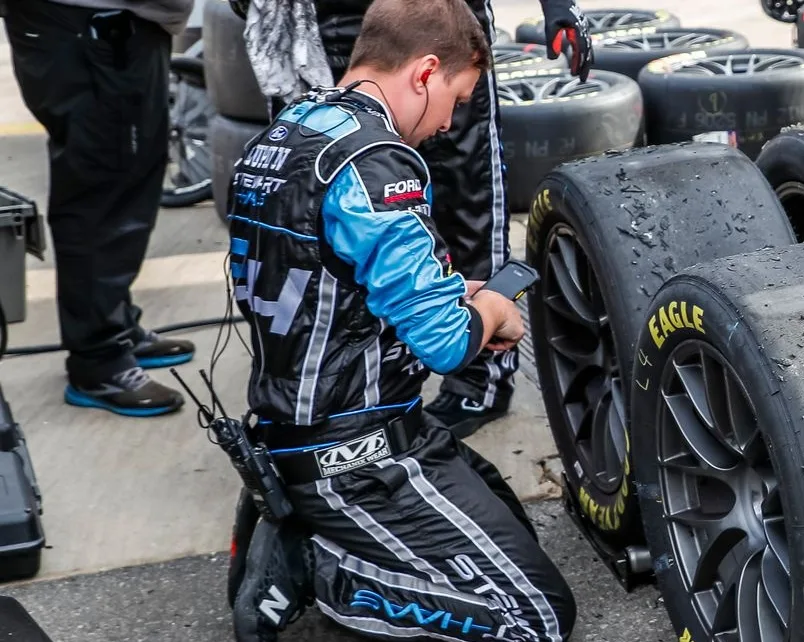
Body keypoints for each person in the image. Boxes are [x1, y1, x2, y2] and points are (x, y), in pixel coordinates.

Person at [223, 0, 576, 639]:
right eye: (457, 97)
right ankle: (318, 564)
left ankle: (303, 521)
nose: (449, 122)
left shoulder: (287, 132)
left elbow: (330, 279)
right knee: (534, 617)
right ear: (425, 72)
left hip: (312, 425)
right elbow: (445, 344)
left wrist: (449, 293)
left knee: (508, 519)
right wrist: (493, 305)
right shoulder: (374, 163)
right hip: (354, 455)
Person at [231, 0, 593, 437]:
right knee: (320, 211)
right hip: (332, 31)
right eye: (455, 104)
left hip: (444, 27)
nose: (446, 123)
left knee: (463, 203)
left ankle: (477, 379)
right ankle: (351, 389)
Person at [3, 0, 197, 417]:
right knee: (101, 186)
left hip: (116, 20)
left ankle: (115, 326)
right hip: (83, 21)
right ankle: (98, 361)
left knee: (129, 173)